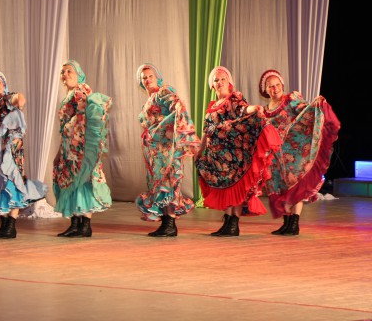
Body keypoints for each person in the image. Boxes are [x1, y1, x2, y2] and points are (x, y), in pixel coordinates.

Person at [195, 66, 281, 237]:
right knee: (226, 187)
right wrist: (200, 149)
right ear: (212, 85)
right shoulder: (212, 106)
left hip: (233, 154)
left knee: (234, 187)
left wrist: (253, 108)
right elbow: (207, 130)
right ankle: (228, 222)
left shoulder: (233, 99)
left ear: (229, 82)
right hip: (217, 156)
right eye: (216, 80)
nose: (220, 82)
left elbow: (243, 109)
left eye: (223, 79)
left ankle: (233, 224)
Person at [259, 69, 340, 235]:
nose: (275, 88)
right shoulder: (265, 110)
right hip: (276, 158)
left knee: (295, 187)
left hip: (294, 154)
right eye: (270, 86)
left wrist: (316, 104)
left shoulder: (291, 99)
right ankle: (286, 223)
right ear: (265, 90)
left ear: (282, 85)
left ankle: (294, 224)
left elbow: (306, 111)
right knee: (281, 189)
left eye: (277, 85)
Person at [0, 69, 47, 239]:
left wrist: (19, 101)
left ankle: (11, 226)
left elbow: (19, 98)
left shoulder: (6, 99)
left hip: (8, 150)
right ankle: (4, 226)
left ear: (4, 85)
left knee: (11, 183)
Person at [135, 63, 200, 237]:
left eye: (150, 76)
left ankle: (170, 224)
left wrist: (173, 124)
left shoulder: (163, 91)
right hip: (156, 152)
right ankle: (166, 222)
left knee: (168, 183)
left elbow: (177, 105)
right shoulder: (149, 100)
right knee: (160, 185)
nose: (147, 79)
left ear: (157, 78)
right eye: (144, 78)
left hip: (167, 148)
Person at [53, 60, 113, 238]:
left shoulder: (81, 90)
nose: (65, 75)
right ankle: (75, 223)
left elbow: (87, 115)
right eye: (63, 72)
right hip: (69, 148)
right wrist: (60, 151)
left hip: (81, 147)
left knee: (84, 180)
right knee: (72, 182)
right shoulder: (69, 95)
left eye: (69, 71)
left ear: (78, 74)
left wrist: (85, 143)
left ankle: (85, 225)